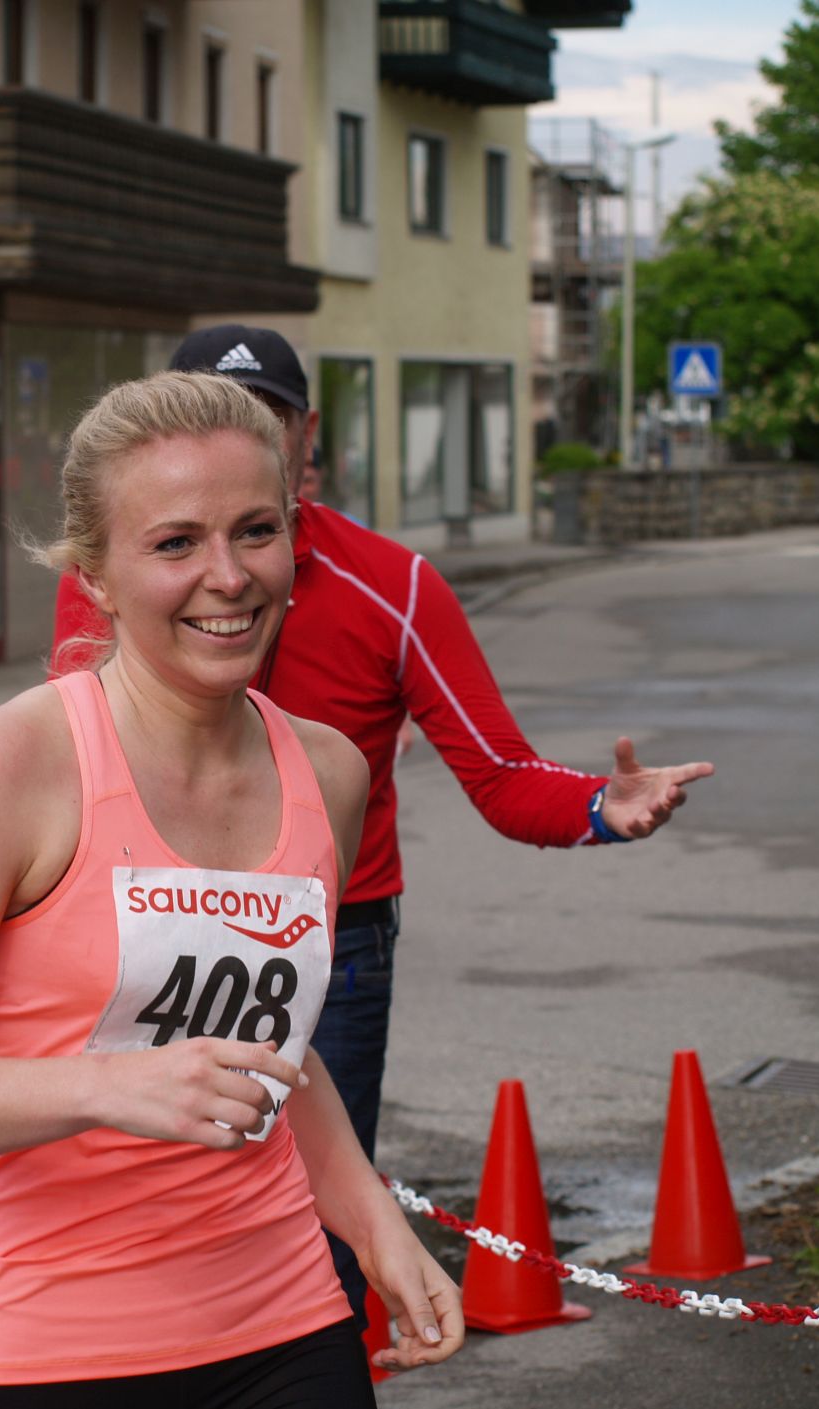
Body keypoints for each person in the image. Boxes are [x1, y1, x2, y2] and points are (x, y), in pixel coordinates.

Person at [0, 371, 463, 1409]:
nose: (229, 576)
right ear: (98, 578)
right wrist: (111, 1084)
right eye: (175, 543)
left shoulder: (330, 773)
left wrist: (373, 1222)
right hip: (43, 1354)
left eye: (257, 531)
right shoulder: (17, 760)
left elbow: (278, 1053)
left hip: (285, 1333)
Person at [50, 324, 713, 1321]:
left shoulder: (391, 584)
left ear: (305, 436)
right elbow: (77, 749)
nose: (237, 439)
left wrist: (597, 805)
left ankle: (322, 1367)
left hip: (331, 942)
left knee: (316, 1221)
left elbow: (499, 773)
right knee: (141, 1205)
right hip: (146, 928)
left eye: (265, 418)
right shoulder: (120, 574)